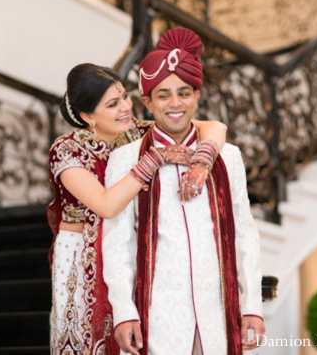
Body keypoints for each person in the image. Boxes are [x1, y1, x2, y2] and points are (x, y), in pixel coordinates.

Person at [102, 28, 265, 355]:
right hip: (158, 314)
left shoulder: (226, 156)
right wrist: (123, 311)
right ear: (147, 102)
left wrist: (252, 306)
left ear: (197, 96)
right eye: (163, 95)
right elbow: (118, 241)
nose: (175, 104)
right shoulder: (126, 159)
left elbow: (245, 233)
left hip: (218, 312)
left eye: (184, 93)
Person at [47, 63, 227, 355]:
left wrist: (203, 159)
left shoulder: (136, 134)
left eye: (125, 97)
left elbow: (215, 127)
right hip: (81, 255)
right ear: (87, 116)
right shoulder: (66, 150)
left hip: (126, 247)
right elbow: (106, 205)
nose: (125, 108)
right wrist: (152, 160)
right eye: (113, 104)